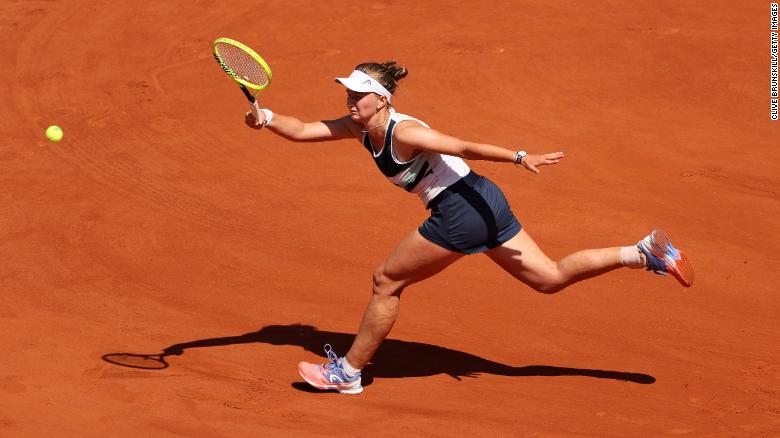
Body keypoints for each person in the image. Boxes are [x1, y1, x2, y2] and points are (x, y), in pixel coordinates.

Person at [243, 61, 694, 395]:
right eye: (346, 92)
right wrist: (265, 118)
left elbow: (461, 144)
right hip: (485, 199)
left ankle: (349, 373)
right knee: (549, 278)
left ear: (381, 99)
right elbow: (302, 129)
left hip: (460, 211)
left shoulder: (405, 133)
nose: (348, 100)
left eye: (357, 95)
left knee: (386, 281)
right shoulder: (359, 127)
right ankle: (643, 253)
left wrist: (519, 155)